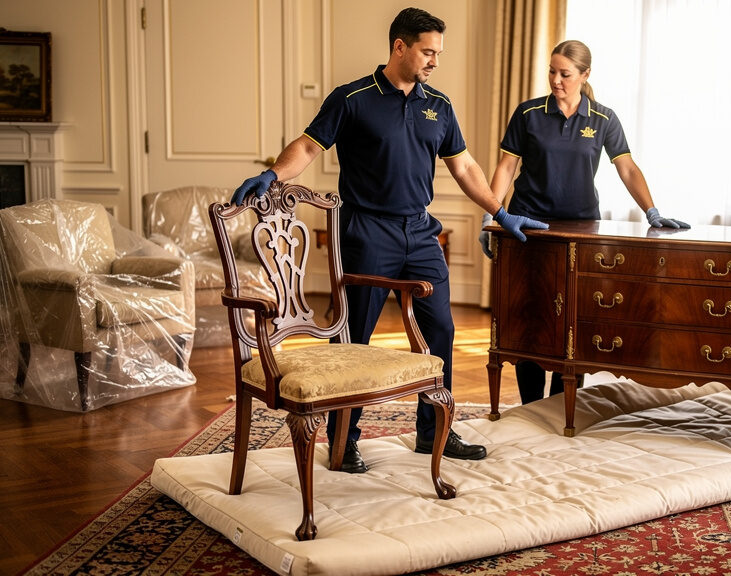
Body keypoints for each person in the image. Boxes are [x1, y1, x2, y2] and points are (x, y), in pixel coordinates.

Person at [231, 8, 547, 474]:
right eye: (427, 51)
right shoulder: (353, 98)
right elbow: (308, 146)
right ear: (400, 46)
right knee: (355, 339)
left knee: (441, 332)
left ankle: (432, 430)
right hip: (366, 231)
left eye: (438, 52)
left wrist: (498, 211)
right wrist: (273, 174)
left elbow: (464, 167)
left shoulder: (438, 105)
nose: (435, 61)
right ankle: (344, 440)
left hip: (420, 233)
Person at [483, 39, 690, 404]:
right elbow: (506, 166)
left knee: (572, 322)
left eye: (565, 74)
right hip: (527, 228)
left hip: (581, 232)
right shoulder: (528, 114)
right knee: (529, 319)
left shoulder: (604, 118)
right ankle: (532, 407)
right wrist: (491, 212)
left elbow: (626, 168)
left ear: (585, 75)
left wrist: (652, 211)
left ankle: (563, 405)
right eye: (552, 71)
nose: (556, 80)